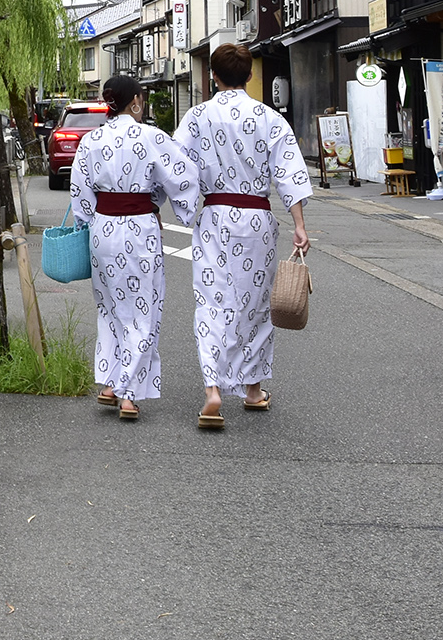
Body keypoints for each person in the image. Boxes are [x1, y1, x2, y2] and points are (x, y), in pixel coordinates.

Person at [176, 43, 312, 429]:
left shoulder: (197, 117)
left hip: (216, 215)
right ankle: (252, 389)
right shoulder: (268, 118)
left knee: (212, 300)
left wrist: (183, 207)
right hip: (257, 219)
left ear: (212, 77)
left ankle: (212, 390)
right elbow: (289, 172)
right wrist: (299, 225)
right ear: (251, 76)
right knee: (255, 304)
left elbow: (177, 166)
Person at [68, 74, 201, 421]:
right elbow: (183, 175)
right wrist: (173, 206)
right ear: (136, 102)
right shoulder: (151, 136)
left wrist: (88, 220)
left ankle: (111, 382)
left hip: (103, 229)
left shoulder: (91, 140)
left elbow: (80, 192)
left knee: (110, 306)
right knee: (143, 307)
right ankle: (128, 392)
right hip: (139, 229)